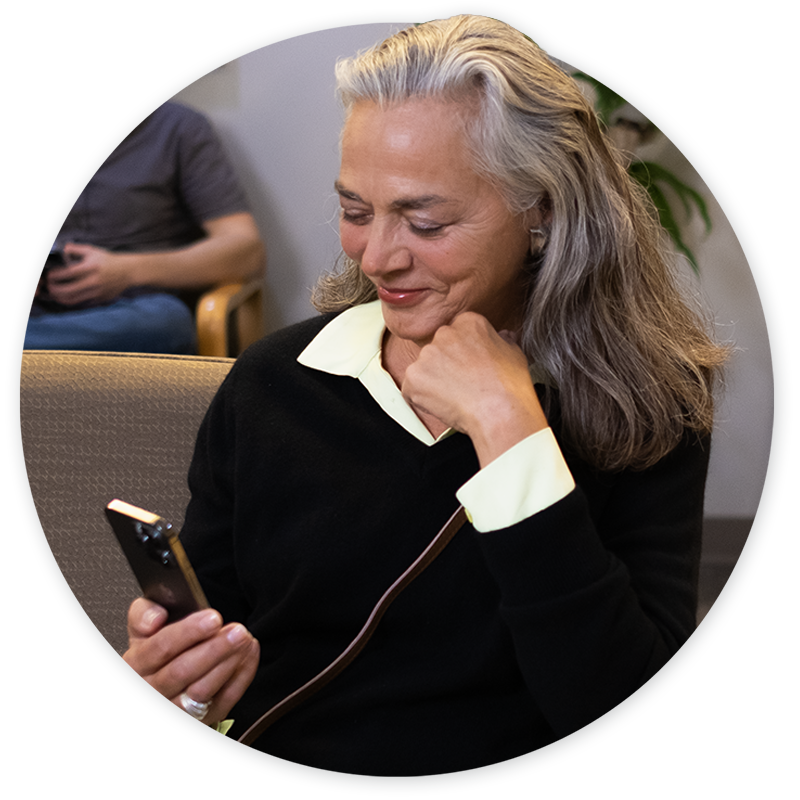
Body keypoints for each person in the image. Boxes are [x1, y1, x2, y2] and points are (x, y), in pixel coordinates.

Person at [122, 15, 728, 777]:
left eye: (426, 219)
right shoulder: (271, 384)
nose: (378, 256)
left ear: (541, 209)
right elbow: (189, 714)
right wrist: (175, 697)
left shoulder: (645, 407)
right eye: (355, 210)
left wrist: (512, 432)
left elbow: (616, 725)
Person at [19, 21, 265, 354]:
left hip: (133, 320)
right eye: (29, 29)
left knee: (168, 321)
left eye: (50, 31)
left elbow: (245, 251)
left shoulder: (178, 130)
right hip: (28, 312)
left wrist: (126, 271)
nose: (28, 47)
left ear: (104, 45)